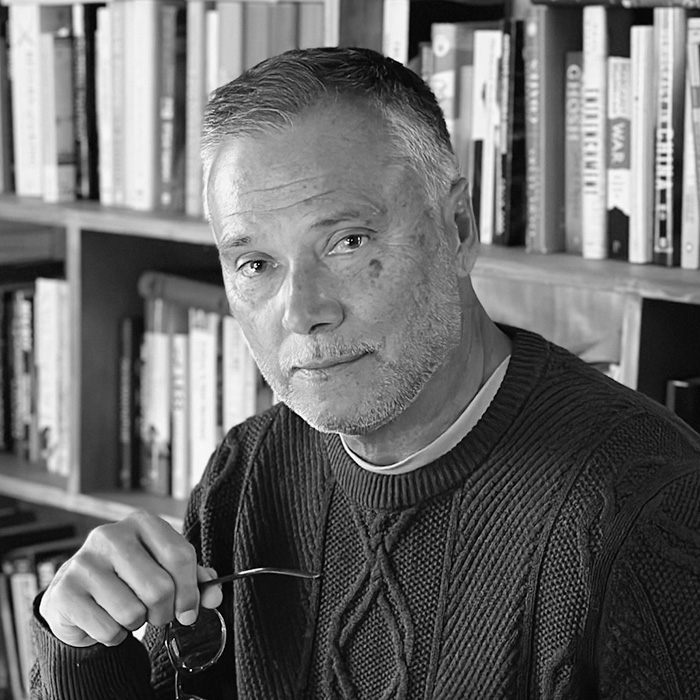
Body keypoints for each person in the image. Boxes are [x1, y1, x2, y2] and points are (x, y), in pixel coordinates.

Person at [32, 47, 700, 699]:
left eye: (347, 242)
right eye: (255, 264)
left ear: (458, 228)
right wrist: (80, 646)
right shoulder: (251, 466)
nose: (303, 313)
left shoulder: (649, 506)